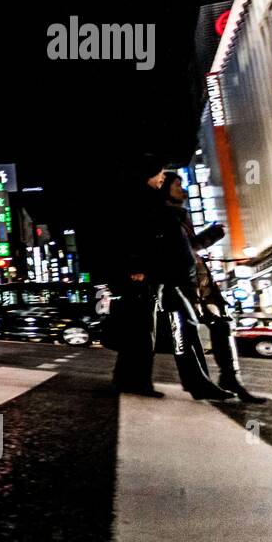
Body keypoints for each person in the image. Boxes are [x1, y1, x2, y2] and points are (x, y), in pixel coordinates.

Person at [111, 156, 232, 400]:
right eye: (160, 174)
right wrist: (136, 265)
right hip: (157, 274)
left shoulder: (151, 201)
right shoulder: (143, 201)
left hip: (164, 274)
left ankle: (134, 380)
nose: (163, 178)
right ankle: (189, 383)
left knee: (149, 328)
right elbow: (135, 235)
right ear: (148, 175)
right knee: (158, 327)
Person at [162, 173, 263, 402]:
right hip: (181, 280)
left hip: (201, 278)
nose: (182, 188)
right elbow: (182, 250)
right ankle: (199, 383)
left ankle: (230, 377)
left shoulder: (180, 214)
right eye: (177, 185)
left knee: (222, 322)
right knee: (186, 331)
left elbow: (188, 249)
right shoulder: (164, 214)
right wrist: (212, 235)